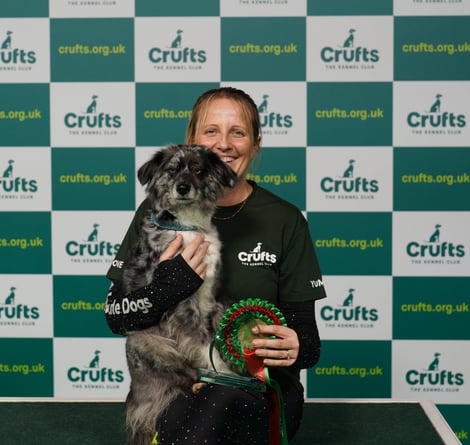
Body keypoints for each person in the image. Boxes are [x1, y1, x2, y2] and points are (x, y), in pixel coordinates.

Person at [104, 86, 327, 444]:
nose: (224, 144)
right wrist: (165, 288)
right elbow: (117, 316)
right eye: (211, 131)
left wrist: (295, 345)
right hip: (173, 385)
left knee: (215, 407)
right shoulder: (156, 217)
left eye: (238, 132)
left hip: (254, 390)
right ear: (192, 141)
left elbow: (309, 342)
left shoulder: (285, 220)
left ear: (255, 144)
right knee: (185, 416)